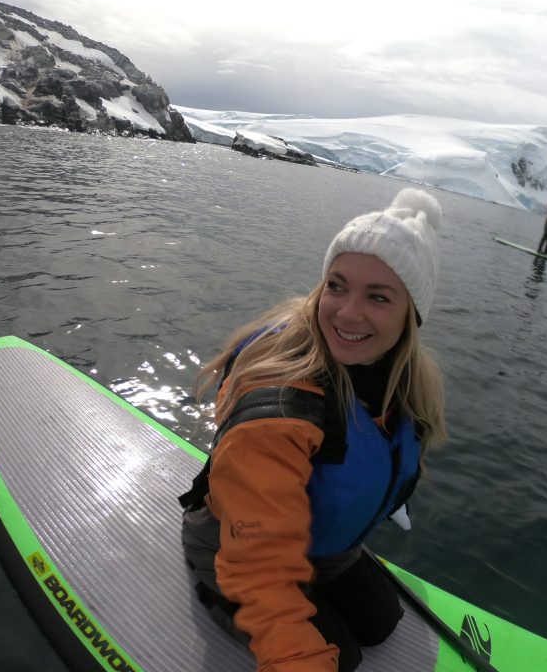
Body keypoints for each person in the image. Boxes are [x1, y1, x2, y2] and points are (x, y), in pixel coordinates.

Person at [180, 188, 447, 672]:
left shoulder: (399, 387)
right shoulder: (281, 405)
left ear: (411, 317)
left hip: (323, 550)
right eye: (337, 285)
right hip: (234, 550)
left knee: (381, 623)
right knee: (338, 657)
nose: (346, 312)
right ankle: (209, 589)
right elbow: (259, 567)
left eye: (378, 297)